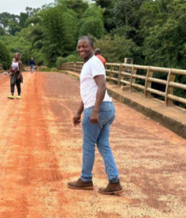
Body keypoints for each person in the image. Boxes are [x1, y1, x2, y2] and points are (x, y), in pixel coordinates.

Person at [68, 36, 123, 195]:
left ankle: (85, 179)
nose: (81, 49)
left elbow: (102, 86)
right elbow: (89, 92)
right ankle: (114, 181)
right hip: (103, 108)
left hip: (99, 108)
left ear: (92, 46)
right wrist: (79, 111)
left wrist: (95, 111)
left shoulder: (94, 63)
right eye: (79, 47)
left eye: (84, 46)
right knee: (103, 145)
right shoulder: (88, 64)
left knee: (88, 145)